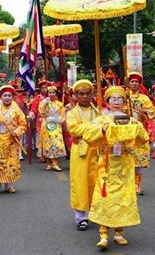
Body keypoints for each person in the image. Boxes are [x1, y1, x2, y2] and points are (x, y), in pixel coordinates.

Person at [84, 86, 149, 249]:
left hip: (125, 165)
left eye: (120, 99)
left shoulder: (131, 120)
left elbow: (143, 138)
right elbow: (88, 136)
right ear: (107, 102)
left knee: (123, 198)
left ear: (125, 102)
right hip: (106, 164)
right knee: (105, 196)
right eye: (113, 99)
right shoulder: (102, 119)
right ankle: (103, 233)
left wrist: (136, 126)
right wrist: (102, 130)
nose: (116, 102)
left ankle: (119, 232)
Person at [66, 80, 100, 231]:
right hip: (80, 151)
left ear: (92, 94)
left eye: (88, 93)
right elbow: (74, 129)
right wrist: (94, 127)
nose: (85, 97)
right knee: (80, 184)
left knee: (97, 182)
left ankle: (96, 213)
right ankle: (81, 217)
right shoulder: (72, 113)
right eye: (81, 94)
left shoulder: (98, 111)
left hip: (98, 151)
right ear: (75, 96)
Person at [0, 85, 27, 194]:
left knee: (11, 163)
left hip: (11, 140)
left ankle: (9, 185)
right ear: (1, 97)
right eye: (5, 95)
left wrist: (17, 131)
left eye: (9, 95)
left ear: (12, 97)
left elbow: (23, 124)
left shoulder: (16, 109)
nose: (7, 97)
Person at [127, 72, 155, 195]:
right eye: (132, 81)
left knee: (137, 160)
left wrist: (144, 111)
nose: (134, 84)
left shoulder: (144, 98)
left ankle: (137, 184)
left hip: (138, 132)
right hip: (124, 132)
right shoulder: (123, 96)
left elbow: (153, 113)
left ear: (139, 85)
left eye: (136, 82)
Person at [38, 85, 66, 171]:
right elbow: (41, 112)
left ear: (55, 93)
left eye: (53, 92)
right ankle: (49, 163)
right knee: (47, 143)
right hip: (46, 124)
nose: (51, 94)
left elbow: (62, 115)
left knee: (56, 142)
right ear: (48, 93)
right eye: (50, 92)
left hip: (56, 124)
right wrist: (44, 103)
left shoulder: (60, 104)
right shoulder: (44, 102)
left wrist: (57, 120)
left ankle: (55, 163)